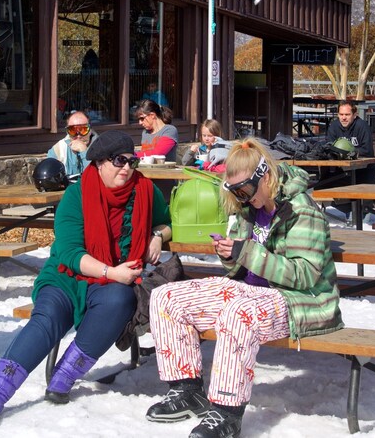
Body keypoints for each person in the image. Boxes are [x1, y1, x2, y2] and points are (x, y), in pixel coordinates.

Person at [145, 138, 342, 438]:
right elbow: (240, 267)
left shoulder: (302, 210)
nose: (242, 198)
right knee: (166, 296)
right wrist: (230, 255)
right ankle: (186, 389)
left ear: (265, 176)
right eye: (235, 192)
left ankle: (226, 413)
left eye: (246, 190)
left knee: (239, 314)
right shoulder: (247, 208)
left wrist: (247, 252)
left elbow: (306, 275)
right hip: (253, 292)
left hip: (301, 300)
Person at [0, 131, 171, 425]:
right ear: (100, 162)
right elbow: (68, 252)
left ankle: (64, 376)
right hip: (67, 276)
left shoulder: (145, 190)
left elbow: (166, 221)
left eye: (132, 161)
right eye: (119, 161)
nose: (127, 168)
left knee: (120, 299)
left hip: (111, 282)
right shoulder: (76, 195)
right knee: (47, 320)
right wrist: (110, 271)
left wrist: (157, 235)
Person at [47, 111, 98, 178]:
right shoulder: (57, 151)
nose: (78, 136)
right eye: (73, 130)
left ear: (90, 130)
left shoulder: (103, 148)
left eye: (83, 130)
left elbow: (97, 178)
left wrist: (84, 152)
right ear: (67, 131)